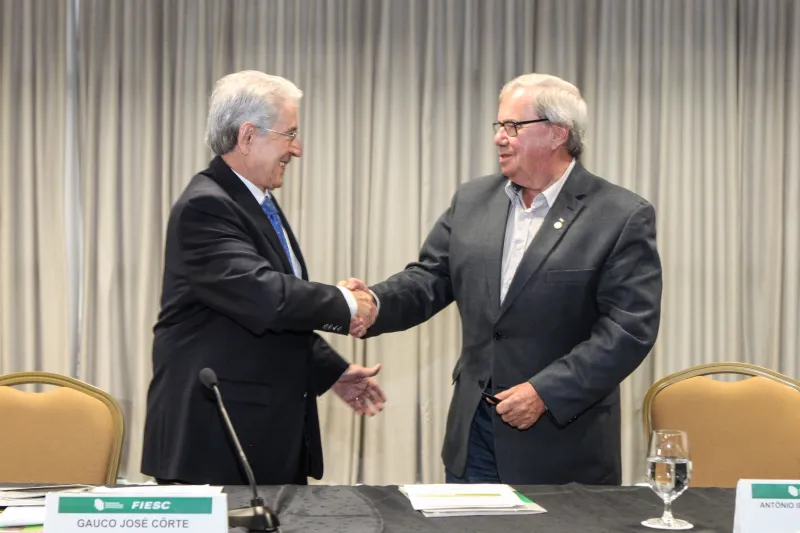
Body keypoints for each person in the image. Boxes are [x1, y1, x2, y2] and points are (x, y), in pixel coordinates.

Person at [343, 73, 662, 485]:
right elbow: (430, 277)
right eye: (499, 125)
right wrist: (374, 304)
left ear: (557, 133)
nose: (499, 138)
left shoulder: (620, 215)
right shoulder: (472, 200)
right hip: (474, 435)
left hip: (562, 444)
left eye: (513, 126)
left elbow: (627, 330)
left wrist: (546, 392)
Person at [142, 70, 384, 486]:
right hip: (215, 441)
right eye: (290, 134)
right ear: (248, 135)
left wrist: (329, 371)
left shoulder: (252, 202)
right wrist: (347, 304)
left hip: (258, 435)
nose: (298, 149)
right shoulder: (206, 206)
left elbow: (253, 318)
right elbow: (265, 297)